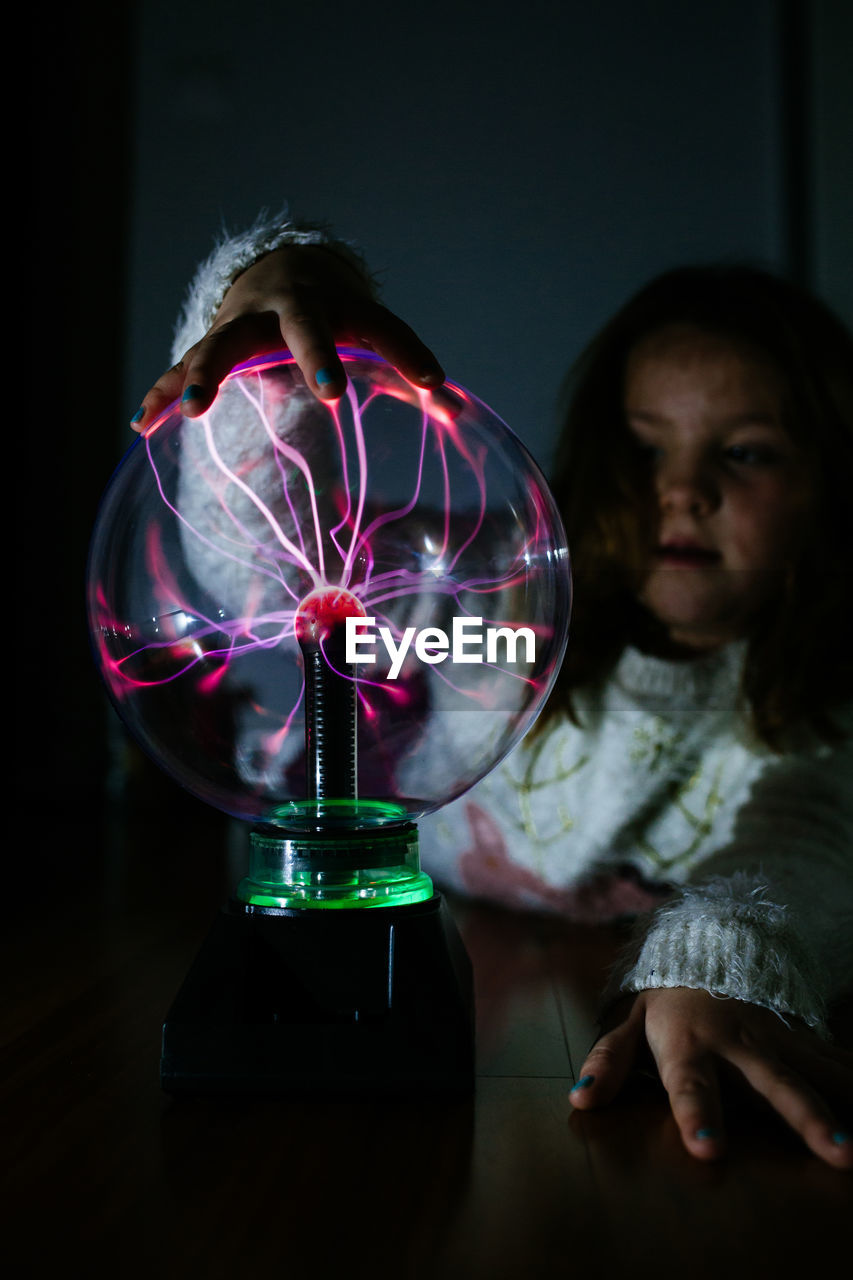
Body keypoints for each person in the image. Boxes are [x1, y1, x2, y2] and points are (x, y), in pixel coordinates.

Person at [132, 209, 853, 1169]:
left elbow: (807, 844)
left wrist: (712, 966)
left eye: (746, 452)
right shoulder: (495, 582)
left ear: (829, 483)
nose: (679, 491)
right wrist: (263, 331)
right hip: (311, 895)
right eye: (643, 449)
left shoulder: (814, 714)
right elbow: (252, 572)